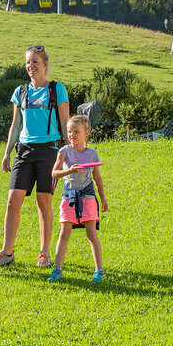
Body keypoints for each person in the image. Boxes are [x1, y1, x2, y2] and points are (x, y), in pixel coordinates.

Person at [0, 46, 69, 268]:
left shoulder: (57, 89)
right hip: (23, 151)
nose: (30, 66)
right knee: (13, 200)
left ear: (44, 64)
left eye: (34, 62)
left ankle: (44, 252)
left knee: (44, 201)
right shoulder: (20, 91)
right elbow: (16, 125)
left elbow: (65, 123)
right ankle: (7, 253)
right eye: (27, 63)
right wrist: (7, 151)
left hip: (49, 150)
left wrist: (72, 152)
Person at [47, 114, 109, 283]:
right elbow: (54, 173)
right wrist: (69, 171)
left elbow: (97, 178)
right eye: (69, 131)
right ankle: (57, 270)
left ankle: (99, 271)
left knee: (91, 234)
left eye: (76, 131)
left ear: (86, 132)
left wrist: (102, 198)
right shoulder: (64, 152)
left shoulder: (92, 154)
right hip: (69, 196)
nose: (72, 135)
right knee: (64, 233)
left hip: (87, 196)